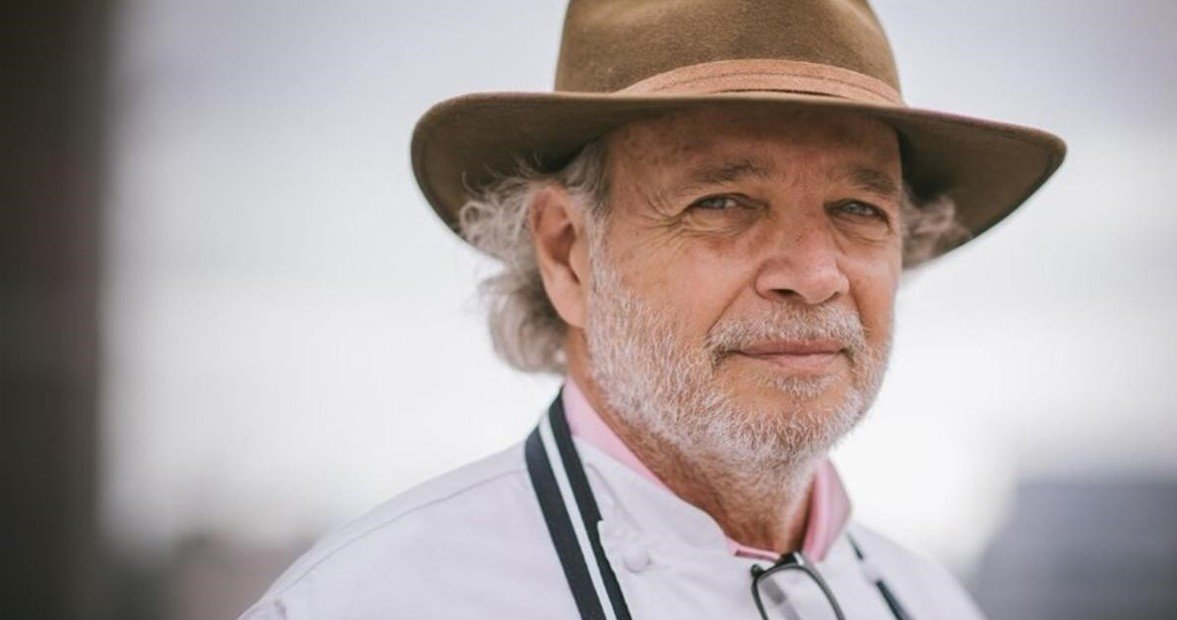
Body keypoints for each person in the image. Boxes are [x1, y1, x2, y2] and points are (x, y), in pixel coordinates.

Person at [242, 0, 1064, 617]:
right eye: (723, 203)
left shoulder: (926, 602)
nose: (814, 275)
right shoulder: (367, 603)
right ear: (567, 252)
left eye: (858, 209)